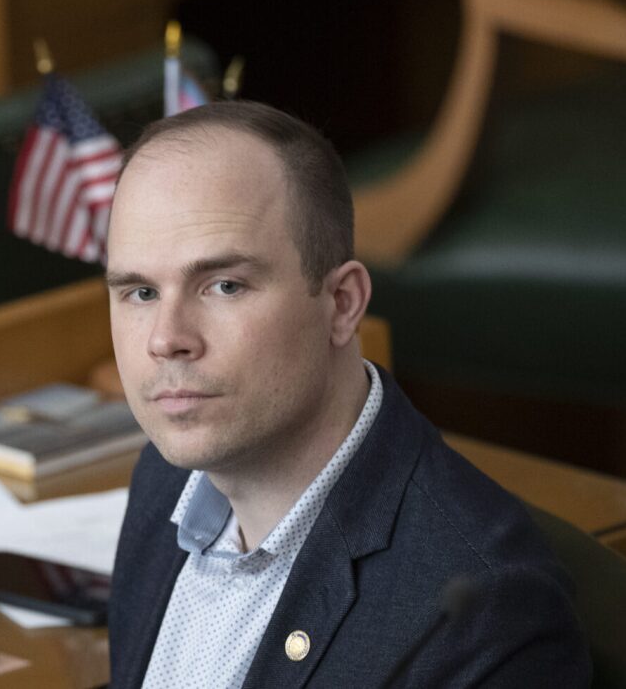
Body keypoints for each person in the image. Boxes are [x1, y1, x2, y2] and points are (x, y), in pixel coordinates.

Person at [104, 101, 590, 688]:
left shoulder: (489, 612)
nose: (166, 339)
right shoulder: (164, 479)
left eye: (224, 286)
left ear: (342, 304)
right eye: (140, 293)